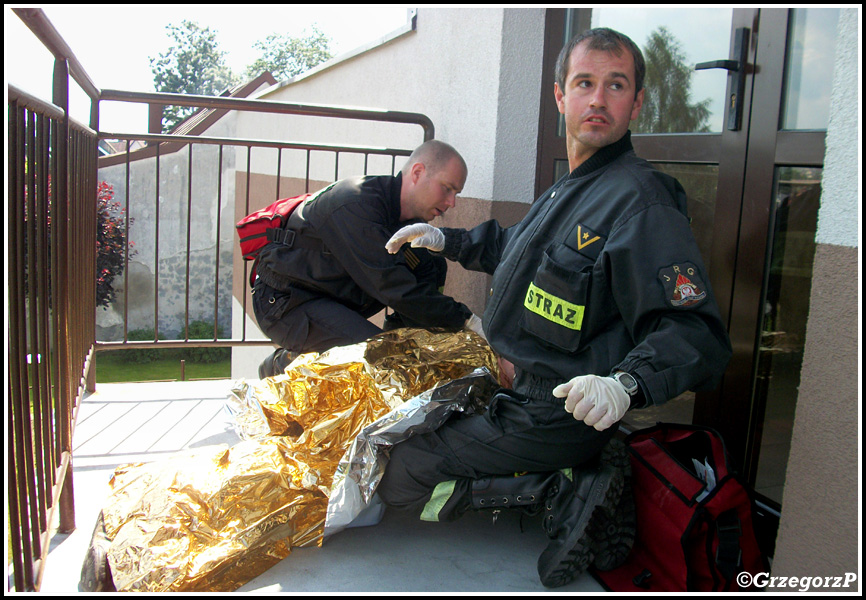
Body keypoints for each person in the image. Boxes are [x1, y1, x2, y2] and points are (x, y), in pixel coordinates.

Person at [380, 28, 732, 588]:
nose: (598, 99)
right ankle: (568, 470)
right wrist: (448, 241)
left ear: (636, 103)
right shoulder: (569, 188)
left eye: (616, 85)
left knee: (398, 474)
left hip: (556, 411)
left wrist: (626, 385)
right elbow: (512, 247)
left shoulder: (642, 201)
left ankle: (559, 489)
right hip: (507, 383)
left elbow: (694, 331)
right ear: (559, 96)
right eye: (584, 83)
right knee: (386, 415)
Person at [252, 140, 483, 378]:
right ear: (417, 172)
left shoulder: (407, 223)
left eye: (456, 193)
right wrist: (466, 320)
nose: (451, 203)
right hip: (285, 302)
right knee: (379, 360)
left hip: (331, 298)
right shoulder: (357, 204)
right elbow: (394, 287)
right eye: (447, 188)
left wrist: (416, 347)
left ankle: (386, 353)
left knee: (430, 267)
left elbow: (420, 288)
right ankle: (283, 364)